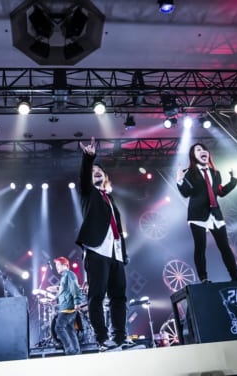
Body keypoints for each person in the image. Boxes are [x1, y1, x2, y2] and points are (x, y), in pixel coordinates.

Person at [75, 137, 134, 352]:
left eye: (100, 171)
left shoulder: (110, 198)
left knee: (119, 297)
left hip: (115, 252)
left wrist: (123, 253)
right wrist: (88, 158)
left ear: (106, 177)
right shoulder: (88, 194)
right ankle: (102, 339)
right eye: (93, 172)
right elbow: (84, 176)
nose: (96, 172)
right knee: (97, 296)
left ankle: (120, 337)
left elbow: (117, 226)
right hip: (97, 249)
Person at [176, 142, 237, 283]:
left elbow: (221, 192)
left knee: (225, 247)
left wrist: (234, 180)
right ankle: (204, 278)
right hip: (197, 215)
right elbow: (186, 193)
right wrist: (180, 180)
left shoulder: (215, 173)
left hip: (215, 214)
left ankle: (236, 277)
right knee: (200, 247)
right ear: (194, 155)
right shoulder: (189, 173)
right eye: (198, 150)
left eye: (204, 149)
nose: (202, 151)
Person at [52, 256, 82, 355]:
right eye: (56, 265)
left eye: (58, 264)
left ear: (65, 265)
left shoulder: (69, 274)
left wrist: (77, 301)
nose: (56, 267)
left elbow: (75, 287)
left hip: (68, 307)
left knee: (58, 328)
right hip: (66, 306)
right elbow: (65, 292)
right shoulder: (64, 276)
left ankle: (69, 350)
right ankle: (76, 352)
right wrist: (55, 298)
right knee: (70, 330)